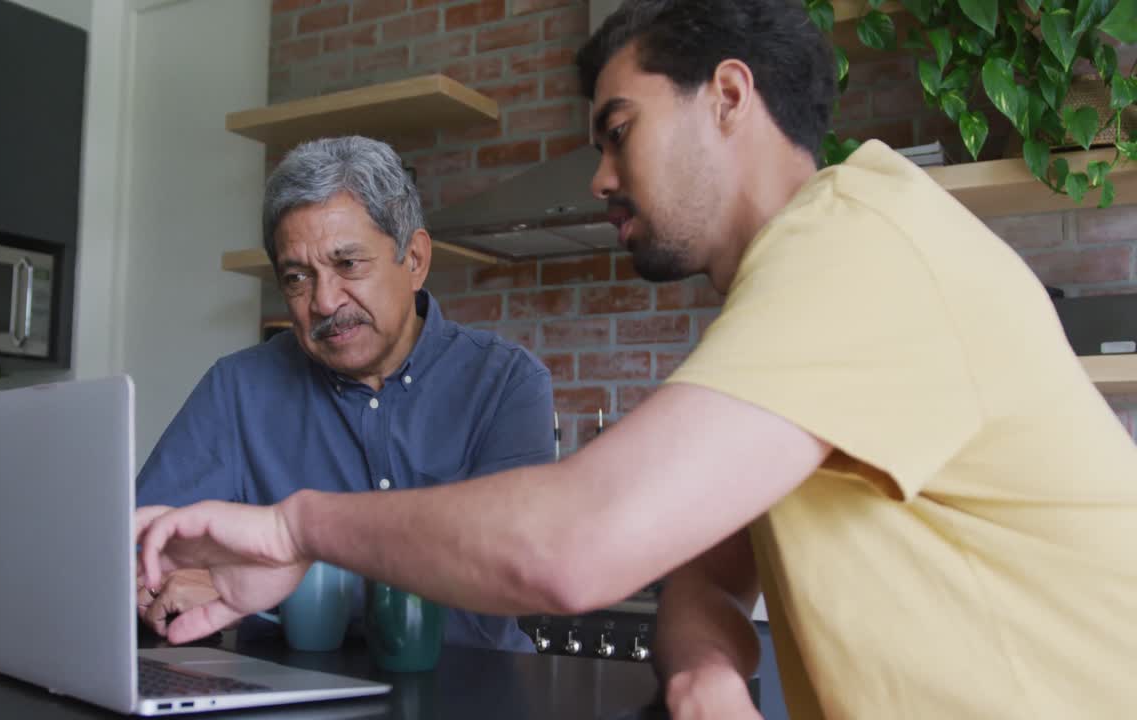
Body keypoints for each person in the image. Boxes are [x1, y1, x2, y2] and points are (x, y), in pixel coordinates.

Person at [135, 1, 1137, 717]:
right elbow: (704, 576)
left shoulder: (860, 248)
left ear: (728, 97)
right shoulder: (789, 294)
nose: (603, 178)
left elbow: (572, 547)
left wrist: (294, 526)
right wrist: (704, 667)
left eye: (618, 133)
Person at [133, 136, 555, 652]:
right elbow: (141, 557)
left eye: (349, 265)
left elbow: (507, 571)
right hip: (288, 697)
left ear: (415, 259)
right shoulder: (237, 388)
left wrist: (268, 589)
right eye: (297, 277)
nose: (326, 300)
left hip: (472, 692)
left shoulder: (506, 383)